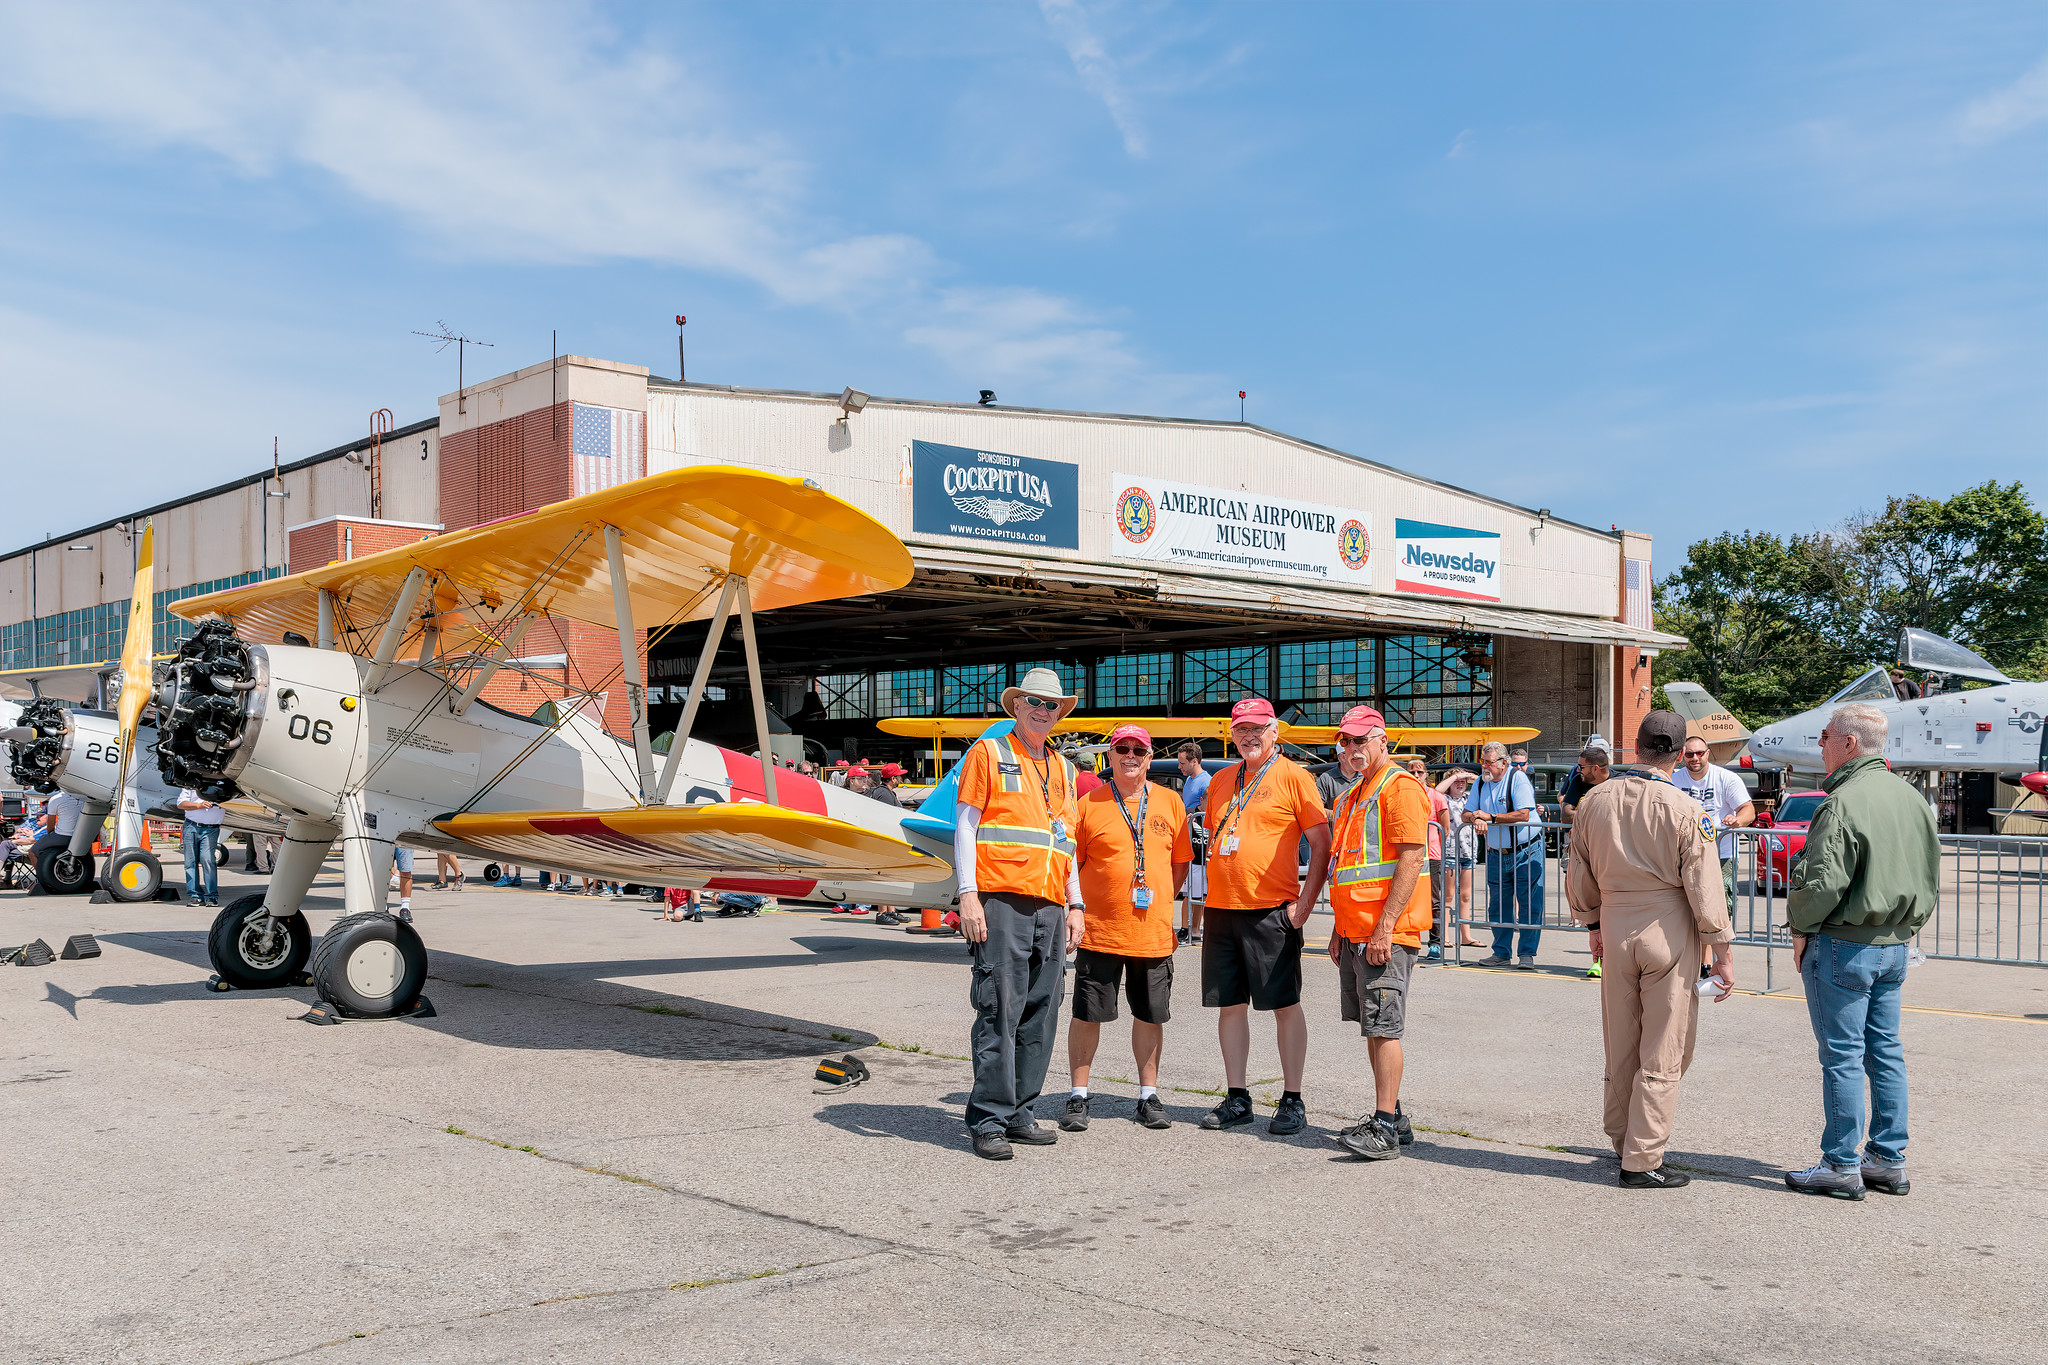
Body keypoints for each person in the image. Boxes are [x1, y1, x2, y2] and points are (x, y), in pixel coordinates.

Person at [1565, 711, 1734, 1190]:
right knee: (1665, 1045)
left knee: (1621, 1041)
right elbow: (1705, 886)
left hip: (1615, 925)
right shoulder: (1686, 809)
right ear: (1679, 755)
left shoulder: (1594, 800)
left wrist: (1593, 922)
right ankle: (1642, 1157)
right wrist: (1721, 950)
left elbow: (1578, 871)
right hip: (1668, 928)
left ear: (1633, 747)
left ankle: (1621, 1136)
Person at [1782, 703, 1940, 1200]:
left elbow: (1823, 880)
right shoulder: (1911, 798)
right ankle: (1888, 1158)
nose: (1821, 743)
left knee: (1843, 1056)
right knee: (1885, 1053)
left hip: (1845, 944)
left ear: (1848, 744)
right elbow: (1930, 875)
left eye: (1825, 735)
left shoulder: (1843, 800)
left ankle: (1841, 1163)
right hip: (1894, 944)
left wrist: (1800, 927)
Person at [955, 666, 1083, 1160]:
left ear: (1059, 713)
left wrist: (1075, 903)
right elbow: (965, 826)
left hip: (1051, 903)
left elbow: (1064, 841)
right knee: (998, 1009)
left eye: (1051, 705)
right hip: (1002, 899)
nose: (1042, 710)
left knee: (1041, 1013)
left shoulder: (1064, 769)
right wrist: (969, 894)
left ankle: (1021, 1112)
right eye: (1033, 701)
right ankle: (988, 1117)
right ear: (1016, 705)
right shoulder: (989, 752)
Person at [1199, 696, 1331, 1136]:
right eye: (1240, 729)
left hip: (1271, 912)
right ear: (1231, 734)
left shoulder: (1295, 777)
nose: (1248, 736)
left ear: (1275, 731)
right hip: (1221, 909)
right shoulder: (1220, 780)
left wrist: (1304, 906)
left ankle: (1292, 1099)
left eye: (1257, 728)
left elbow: (1321, 843)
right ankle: (1238, 1097)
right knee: (1229, 1006)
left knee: (1284, 1006)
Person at [1062, 725, 1191, 1134]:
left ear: (1149, 757)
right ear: (1111, 756)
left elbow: (1180, 863)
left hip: (1151, 932)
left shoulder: (1170, 803)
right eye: (1123, 748)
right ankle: (1079, 1095)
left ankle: (1147, 1094)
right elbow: (1071, 865)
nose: (1131, 755)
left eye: (1139, 749)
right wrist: (1076, 909)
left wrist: (1157, 900)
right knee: (1087, 1014)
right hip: (1099, 930)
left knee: (1150, 1015)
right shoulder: (1088, 805)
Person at [1326, 708, 1434, 1159]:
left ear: (1381, 740)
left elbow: (1411, 858)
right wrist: (1339, 927)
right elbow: (1346, 868)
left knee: (1385, 1029)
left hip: (1384, 933)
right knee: (1373, 1027)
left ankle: (1385, 1126)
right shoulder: (1351, 796)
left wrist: (1385, 927)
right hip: (1357, 932)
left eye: (1359, 741)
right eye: (1345, 743)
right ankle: (1392, 1115)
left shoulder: (1399, 788)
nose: (1351, 750)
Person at [1470, 740, 1545, 969]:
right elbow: (1467, 812)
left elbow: (1523, 814)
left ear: (1504, 763)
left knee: (1529, 904)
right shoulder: (1481, 783)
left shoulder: (1517, 778)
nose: (1485, 766)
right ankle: (1501, 953)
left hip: (1526, 852)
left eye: (1489, 763)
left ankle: (1526, 954)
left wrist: (1490, 818)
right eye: (1483, 762)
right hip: (1496, 854)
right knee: (1498, 906)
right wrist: (1476, 818)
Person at [1561, 745, 1613, 977]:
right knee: (1591, 909)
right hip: (1584, 856)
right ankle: (1597, 960)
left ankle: (1612, 959)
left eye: (1582, 767)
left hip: (1611, 856)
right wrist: (1597, 814)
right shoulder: (1578, 782)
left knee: (1611, 908)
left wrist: (1582, 815)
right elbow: (1565, 813)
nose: (1578, 770)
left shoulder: (1617, 784)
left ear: (1596, 768)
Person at [1404, 756, 1451, 960]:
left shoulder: (1436, 796)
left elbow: (1445, 828)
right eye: (1412, 772)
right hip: (1407, 855)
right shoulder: (1402, 795)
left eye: (1420, 772)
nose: (1416, 775)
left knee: (1434, 900)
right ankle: (1407, 940)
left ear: (1426, 775)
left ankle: (1435, 943)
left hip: (1431, 855)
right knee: (1406, 897)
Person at [1435, 769, 1485, 947]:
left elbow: (1486, 785)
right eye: (1457, 781)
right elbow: (1436, 791)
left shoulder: (1469, 799)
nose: (1460, 783)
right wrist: (1454, 776)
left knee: (1465, 896)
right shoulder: (1444, 799)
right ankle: (1445, 936)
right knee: (1448, 897)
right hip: (1450, 852)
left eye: (1463, 781)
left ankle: (1466, 935)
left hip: (1468, 853)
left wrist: (1474, 778)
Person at [1175, 743, 1211, 946]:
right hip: (1190, 840)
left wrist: (1193, 811)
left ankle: (1189, 928)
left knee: (1195, 888)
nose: (1180, 767)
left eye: (1182, 763)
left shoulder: (1205, 781)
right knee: (1194, 888)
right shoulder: (1190, 779)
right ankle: (1192, 928)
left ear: (1194, 761)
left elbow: (1207, 807)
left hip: (1199, 842)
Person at [175, 788, 225, 906]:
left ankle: (211, 895)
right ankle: (195, 895)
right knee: (190, 862)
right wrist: (199, 805)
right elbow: (181, 804)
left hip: (211, 828)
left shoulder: (222, 786)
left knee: (207, 859)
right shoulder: (191, 785)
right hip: (191, 826)